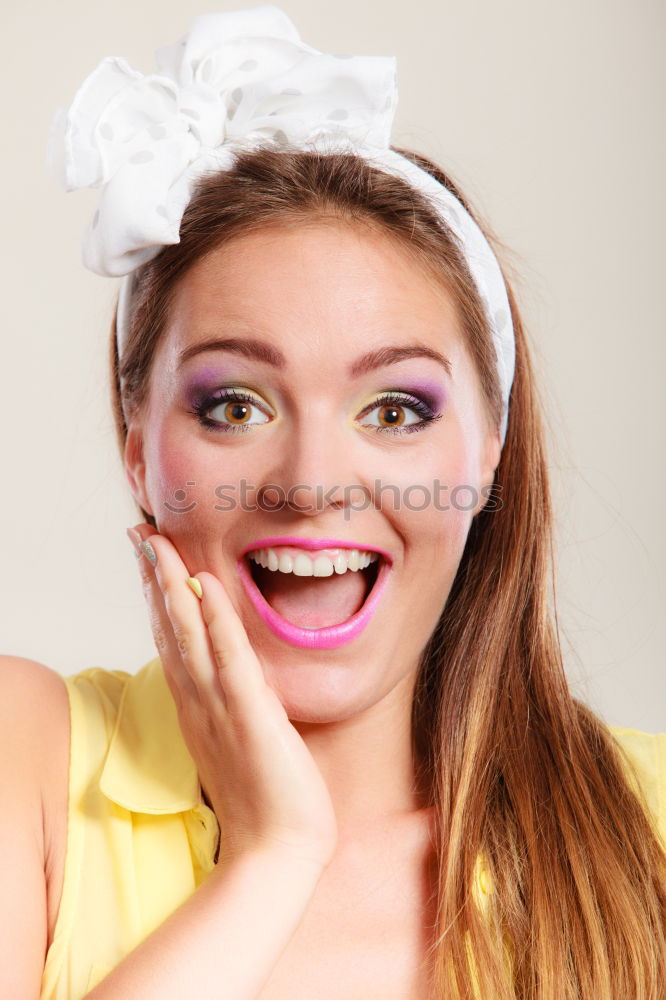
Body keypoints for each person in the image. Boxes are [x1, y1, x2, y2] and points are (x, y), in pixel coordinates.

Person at [1, 7, 664, 999]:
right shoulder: (24, 754)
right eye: (234, 404)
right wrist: (272, 860)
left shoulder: (647, 823)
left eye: (395, 408)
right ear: (139, 450)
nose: (311, 481)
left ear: (486, 453)